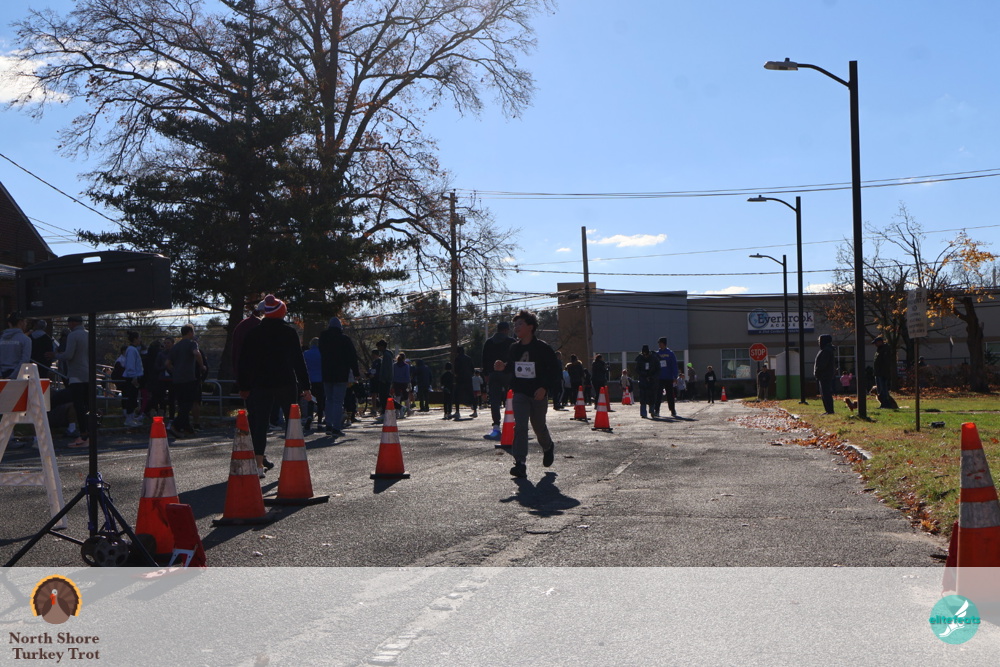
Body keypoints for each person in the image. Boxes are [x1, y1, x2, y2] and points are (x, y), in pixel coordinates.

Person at [238, 295, 312, 478]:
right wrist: (306, 386)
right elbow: (298, 361)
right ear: (281, 313)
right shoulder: (289, 333)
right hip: (285, 382)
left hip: (260, 383)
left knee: (260, 424)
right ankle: (292, 462)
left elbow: (244, 362)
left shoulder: (253, 334)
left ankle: (258, 464)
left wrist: (244, 386)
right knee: (292, 423)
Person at [494, 310, 559, 478]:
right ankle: (520, 463)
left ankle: (548, 446)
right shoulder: (514, 348)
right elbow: (512, 366)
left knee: (538, 427)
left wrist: (544, 388)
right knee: (521, 427)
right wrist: (503, 367)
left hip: (538, 394)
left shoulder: (542, 348)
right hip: (520, 393)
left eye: (520, 324)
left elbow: (554, 370)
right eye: (515, 325)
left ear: (531, 327)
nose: (516, 327)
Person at [318, 317, 360, 436]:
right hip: (341, 374)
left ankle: (328, 424)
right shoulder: (345, 339)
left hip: (326, 373)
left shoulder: (323, 338)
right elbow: (352, 356)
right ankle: (336, 427)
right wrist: (356, 372)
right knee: (338, 401)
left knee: (329, 400)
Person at [55, 315, 90, 448]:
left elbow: (69, 355)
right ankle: (89, 433)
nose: (68, 325)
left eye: (69, 323)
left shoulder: (73, 335)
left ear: (73, 323)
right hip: (89, 373)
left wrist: (56, 355)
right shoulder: (89, 334)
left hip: (76, 374)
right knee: (87, 405)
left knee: (78, 405)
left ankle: (83, 434)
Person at [166, 324, 205, 438]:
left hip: (177, 379)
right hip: (188, 378)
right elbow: (196, 353)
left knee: (182, 403)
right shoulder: (192, 343)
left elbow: (167, 363)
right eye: (193, 332)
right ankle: (175, 426)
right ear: (189, 332)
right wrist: (202, 365)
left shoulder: (175, 347)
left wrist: (175, 371)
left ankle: (187, 428)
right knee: (188, 404)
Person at [481, 321, 516, 440]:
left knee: (495, 400)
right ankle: (513, 422)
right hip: (508, 374)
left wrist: (486, 374)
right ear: (506, 330)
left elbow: (484, 359)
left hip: (493, 374)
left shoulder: (489, 342)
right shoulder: (511, 342)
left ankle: (496, 425)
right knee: (511, 398)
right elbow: (514, 358)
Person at [122, 331, 144, 426]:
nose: (140, 340)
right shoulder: (131, 350)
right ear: (135, 339)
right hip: (132, 378)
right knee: (131, 398)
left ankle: (131, 418)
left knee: (133, 398)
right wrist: (134, 377)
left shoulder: (132, 349)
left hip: (133, 377)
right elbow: (130, 365)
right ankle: (129, 419)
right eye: (139, 338)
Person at [302, 337, 325, 430]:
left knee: (310, 400)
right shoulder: (323, 353)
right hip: (321, 379)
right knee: (320, 401)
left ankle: (309, 416)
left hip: (310, 380)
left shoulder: (306, 353)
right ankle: (319, 422)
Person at [0, 312, 31, 379]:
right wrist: (12, 376)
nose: (26, 324)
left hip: (2, 373)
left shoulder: (1, 338)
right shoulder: (26, 340)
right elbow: (25, 360)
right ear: (21, 322)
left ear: (9, 323)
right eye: (25, 322)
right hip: (16, 375)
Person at [654, 337, 678, 418]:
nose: (659, 345)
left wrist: (675, 376)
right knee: (658, 395)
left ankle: (672, 410)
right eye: (658, 343)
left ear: (664, 343)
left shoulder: (670, 353)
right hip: (659, 378)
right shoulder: (657, 354)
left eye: (660, 343)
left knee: (670, 395)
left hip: (668, 377)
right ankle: (656, 410)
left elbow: (674, 365)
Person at [872, 335, 898, 409]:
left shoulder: (885, 350)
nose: (875, 344)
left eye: (876, 343)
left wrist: (885, 373)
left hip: (882, 373)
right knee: (880, 390)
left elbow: (886, 362)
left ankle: (886, 404)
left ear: (880, 342)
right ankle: (883, 403)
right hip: (878, 373)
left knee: (883, 389)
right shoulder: (880, 350)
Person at [814, 334, 838, 414]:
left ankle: (830, 410)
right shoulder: (826, 350)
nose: (819, 342)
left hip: (825, 375)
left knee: (826, 393)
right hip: (824, 375)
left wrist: (817, 371)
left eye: (820, 340)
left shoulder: (826, 351)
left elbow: (822, 364)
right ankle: (828, 410)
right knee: (824, 393)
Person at [453, 346, 476, 419]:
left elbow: (456, 369)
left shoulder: (457, 358)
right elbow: (472, 369)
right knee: (471, 394)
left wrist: (456, 375)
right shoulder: (468, 358)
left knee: (457, 395)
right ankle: (475, 411)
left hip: (460, 378)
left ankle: (457, 412)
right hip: (468, 378)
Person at [633, 345, 656, 418]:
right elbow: (637, 369)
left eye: (646, 353)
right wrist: (644, 374)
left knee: (651, 396)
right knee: (643, 397)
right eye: (644, 353)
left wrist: (651, 376)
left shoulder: (653, 358)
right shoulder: (640, 359)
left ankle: (652, 410)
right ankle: (643, 413)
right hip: (643, 380)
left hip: (651, 380)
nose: (645, 355)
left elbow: (656, 368)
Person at [373, 339, 394, 421]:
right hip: (386, 379)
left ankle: (384, 413)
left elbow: (387, 369)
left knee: (383, 397)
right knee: (385, 396)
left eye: (378, 346)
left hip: (385, 379)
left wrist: (384, 378)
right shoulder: (386, 355)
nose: (378, 348)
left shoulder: (386, 356)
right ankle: (391, 410)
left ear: (382, 346)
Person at [391, 352, 411, 416]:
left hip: (396, 382)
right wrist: (409, 383)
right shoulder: (406, 366)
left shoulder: (394, 365)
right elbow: (407, 375)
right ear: (404, 358)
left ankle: (397, 412)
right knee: (406, 397)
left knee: (397, 397)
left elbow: (393, 374)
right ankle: (408, 411)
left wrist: (392, 382)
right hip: (404, 383)